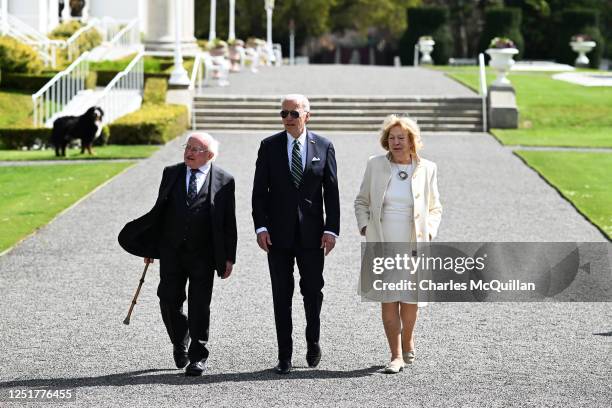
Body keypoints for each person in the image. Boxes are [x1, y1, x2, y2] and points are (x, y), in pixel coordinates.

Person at [118, 133, 237, 376]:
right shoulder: (171, 173)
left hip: (204, 254)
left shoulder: (225, 180)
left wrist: (229, 257)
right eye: (187, 147)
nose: (189, 152)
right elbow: (159, 212)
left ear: (210, 155)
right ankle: (179, 340)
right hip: (171, 250)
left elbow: (228, 223)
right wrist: (150, 247)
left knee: (200, 305)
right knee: (168, 300)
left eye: (196, 149)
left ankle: (198, 356)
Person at [252, 94, 340, 374]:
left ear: (307, 116)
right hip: (277, 235)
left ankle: (312, 340)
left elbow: (332, 192)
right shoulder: (269, 146)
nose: (288, 118)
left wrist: (331, 229)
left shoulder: (324, 146)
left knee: (312, 291)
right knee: (281, 293)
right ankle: (284, 355)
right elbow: (258, 192)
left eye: (294, 113)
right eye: (284, 113)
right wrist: (261, 227)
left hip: (313, 235)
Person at [354, 114, 442, 374]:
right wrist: (365, 225)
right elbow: (361, 201)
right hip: (383, 241)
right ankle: (395, 355)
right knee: (388, 299)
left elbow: (435, 207)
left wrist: (429, 232)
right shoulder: (375, 165)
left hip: (413, 243)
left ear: (412, 140)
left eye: (401, 138)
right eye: (391, 138)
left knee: (410, 299)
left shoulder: (428, 168)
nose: (395, 142)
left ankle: (408, 339)